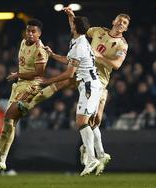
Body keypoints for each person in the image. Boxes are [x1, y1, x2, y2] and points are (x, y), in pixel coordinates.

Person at [18, 7, 130, 175]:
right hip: (85, 74)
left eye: (125, 23)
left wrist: (98, 56)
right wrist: (71, 17)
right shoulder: (92, 34)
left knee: (89, 118)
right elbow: (79, 28)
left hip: (97, 81)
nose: (121, 23)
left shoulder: (120, 44)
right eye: (119, 20)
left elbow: (117, 65)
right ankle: (98, 154)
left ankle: (94, 154)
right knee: (86, 117)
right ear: (113, 21)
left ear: (126, 28)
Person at [36, 12, 102, 176]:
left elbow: (69, 74)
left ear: (75, 28)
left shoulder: (79, 45)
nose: (70, 25)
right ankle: (97, 155)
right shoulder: (79, 40)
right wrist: (52, 55)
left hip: (88, 86)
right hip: (90, 85)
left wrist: (48, 81)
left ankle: (93, 157)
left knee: (81, 122)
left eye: (72, 24)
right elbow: (68, 59)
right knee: (86, 122)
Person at [0, 19, 49, 171]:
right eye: (28, 30)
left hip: (31, 87)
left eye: (33, 31)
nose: (30, 34)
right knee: (10, 122)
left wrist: (18, 74)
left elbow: (39, 73)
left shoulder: (40, 49)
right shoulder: (23, 42)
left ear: (39, 34)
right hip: (18, 86)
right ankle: (0, 157)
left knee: (8, 117)